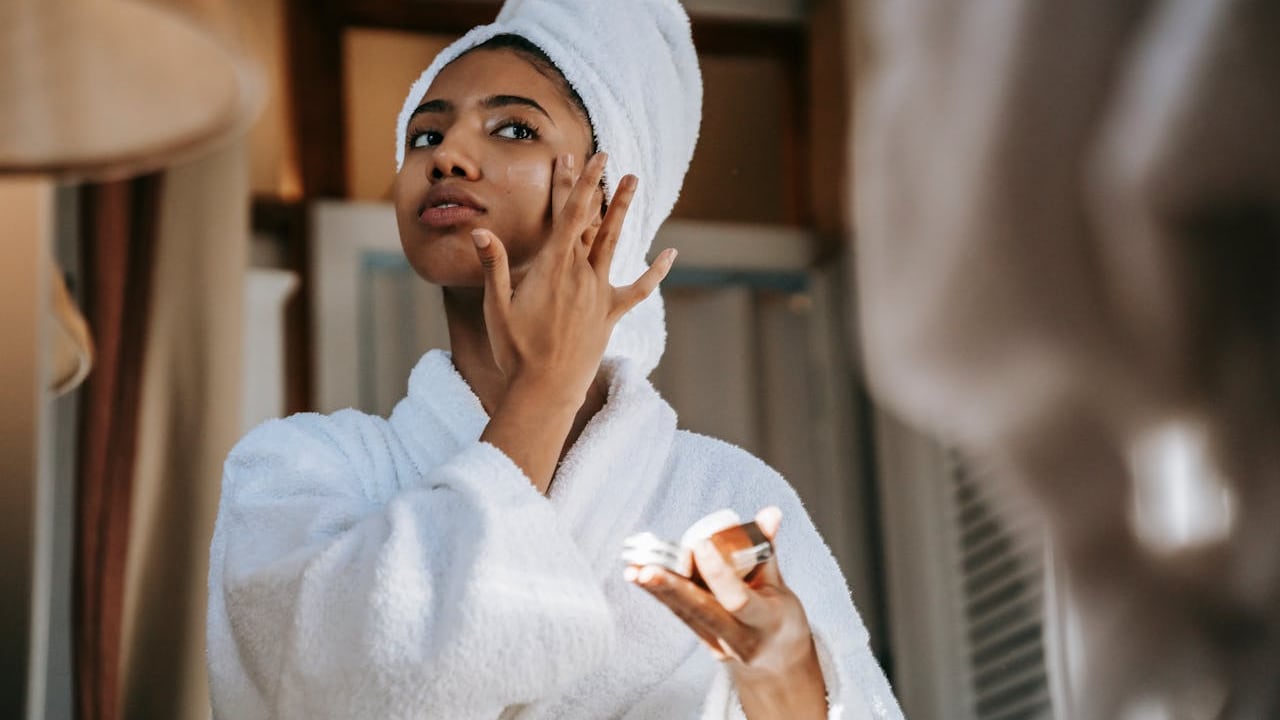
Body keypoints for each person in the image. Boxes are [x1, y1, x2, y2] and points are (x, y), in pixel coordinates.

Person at [206, 1, 901, 718]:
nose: (445, 156)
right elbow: (352, 691)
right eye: (425, 135)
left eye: (514, 128)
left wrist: (788, 679)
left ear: (607, 194)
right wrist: (545, 388)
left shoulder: (724, 496)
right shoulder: (298, 469)